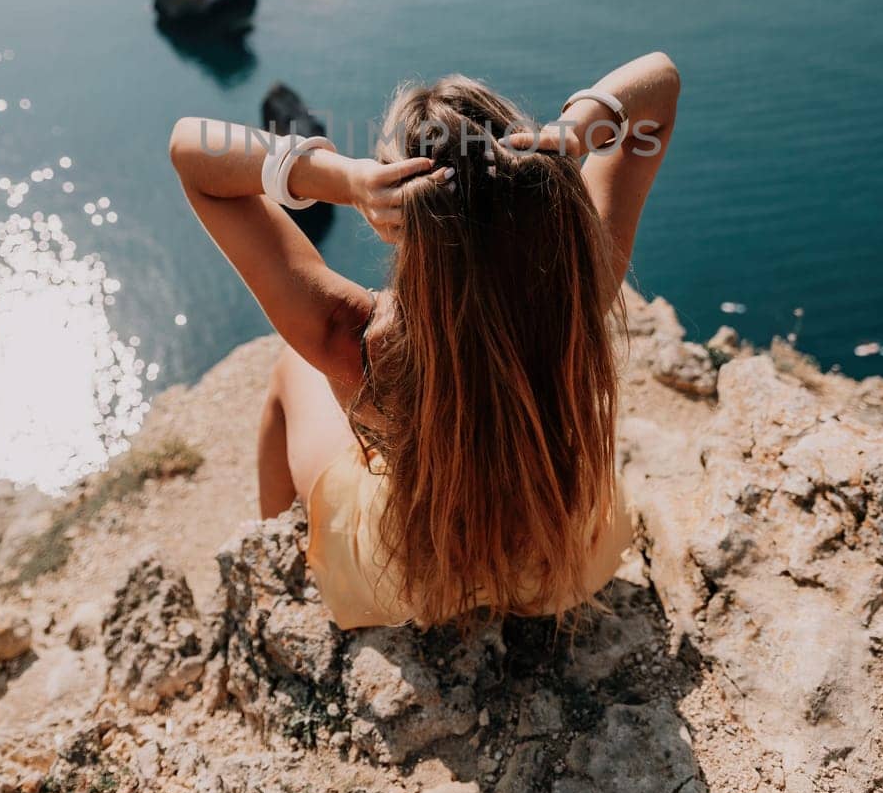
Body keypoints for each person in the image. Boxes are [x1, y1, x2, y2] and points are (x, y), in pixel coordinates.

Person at [168, 52, 680, 630]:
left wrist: (341, 180)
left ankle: (278, 564)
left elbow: (191, 152)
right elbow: (658, 85)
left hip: (404, 585)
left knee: (293, 367)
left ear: (402, 212)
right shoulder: (581, 287)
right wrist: (573, 131)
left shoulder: (357, 338)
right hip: (563, 564)